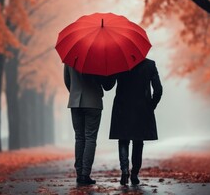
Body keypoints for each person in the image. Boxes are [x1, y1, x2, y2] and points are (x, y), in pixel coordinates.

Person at [109, 58, 163, 186]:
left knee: (123, 139)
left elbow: (108, 85)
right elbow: (158, 89)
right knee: (138, 141)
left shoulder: (119, 63)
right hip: (142, 107)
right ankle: (134, 173)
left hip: (122, 107)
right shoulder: (150, 65)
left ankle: (124, 170)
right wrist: (151, 105)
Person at [64, 64, 115, 185]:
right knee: (90, 138)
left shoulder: (70, 57)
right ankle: (85, 174)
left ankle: (79, 173)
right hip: (93, 102)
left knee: (79, 137)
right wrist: (113, 75)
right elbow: (107, 86)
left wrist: (75, 92)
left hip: (75, 101)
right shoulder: (99, 58)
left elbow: (67, 81)